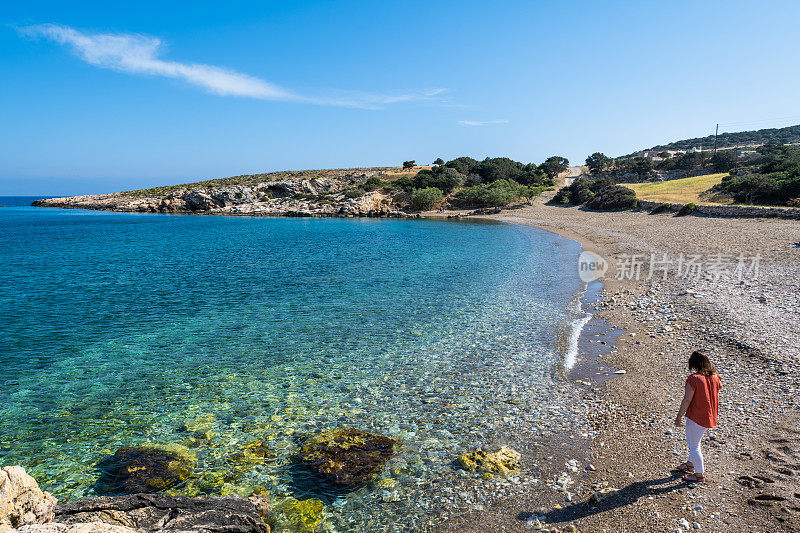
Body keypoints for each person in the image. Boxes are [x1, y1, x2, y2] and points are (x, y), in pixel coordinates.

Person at [674, 350, 722, 482]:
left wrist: (679, 417)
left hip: (696, 416)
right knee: (695, 441)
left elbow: (687, 400)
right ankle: (690, 464)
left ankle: (699, 475)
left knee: (694, 445)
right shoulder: (715, 377)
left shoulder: (694, 379)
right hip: (710, 416)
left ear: (693, 363)